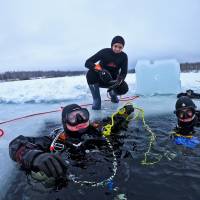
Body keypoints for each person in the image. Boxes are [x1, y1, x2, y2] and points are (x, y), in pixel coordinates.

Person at [9, 103, 134, 183]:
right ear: (65, 122)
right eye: (73, 118)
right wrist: (35, 156)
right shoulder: (56, 140)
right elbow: (17, 144)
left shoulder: (98, 128)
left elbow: (114, 120)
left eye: (82, 115)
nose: (79, 120)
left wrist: (123, 112)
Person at [85, 36, 129, 110]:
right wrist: (101, 71)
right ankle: (96, 100)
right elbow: (88, 62)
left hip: (112, 81)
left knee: (124, 88)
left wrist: (119, 81)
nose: (117, 49)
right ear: (112, 45)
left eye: (120, 47)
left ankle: (113, 94)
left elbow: (124, 72)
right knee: (90, 74)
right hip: (100, 78)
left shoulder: (124, 56)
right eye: (115, 46)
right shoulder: (104, 52)